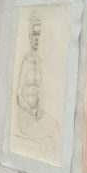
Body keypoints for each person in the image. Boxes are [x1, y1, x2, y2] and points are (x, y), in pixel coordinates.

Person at [14, 13, 60, 160]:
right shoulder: (25, 62)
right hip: (26, 116)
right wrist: (32, 111)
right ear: (29, 37)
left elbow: (40, 91)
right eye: (34, 35)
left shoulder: (39, 62)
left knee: (56, 126)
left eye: (38, 35)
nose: (36, 39)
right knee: (50, 133)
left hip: (36, 114)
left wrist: (39, 109)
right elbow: (18, 97)